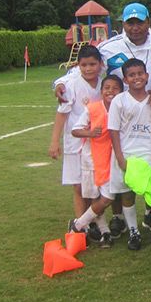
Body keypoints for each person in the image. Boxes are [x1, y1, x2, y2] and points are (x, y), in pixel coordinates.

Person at [55, 2, 151, 232]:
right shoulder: (110, 47)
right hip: (123, 119)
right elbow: (86, 67)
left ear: (148, 22)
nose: (135, 27)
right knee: (120, 171)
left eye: (139, 22)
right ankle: (119, 217)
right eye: (130, 23)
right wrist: (61, 82)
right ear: (123, 24)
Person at [48, 45, 104, 234]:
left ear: (100, 64)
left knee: (92, 186)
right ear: (77, 65)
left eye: (92, 64)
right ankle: (81, 227)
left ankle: (91, 221)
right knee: (79, 187)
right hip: (75, 143)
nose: (88, 69)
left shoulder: (103, 84)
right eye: (84, 65)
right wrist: (54, 142)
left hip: (96, 143)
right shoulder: (71, 85)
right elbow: (62, 114)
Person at [69, 74, 123, 247]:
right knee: (95, 197)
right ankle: (105, 232)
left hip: (112, 160)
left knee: (107, 197)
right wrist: (90, 133)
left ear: (121, 92)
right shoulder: (92, 109)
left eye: (115, 88)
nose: (110, 91)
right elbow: (75, 130)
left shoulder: (122, 108)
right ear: (101, 91)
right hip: (91, 160)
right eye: (107, 88)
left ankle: (78, 224)